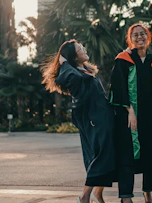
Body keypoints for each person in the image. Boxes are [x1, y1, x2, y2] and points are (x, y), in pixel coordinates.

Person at [42, 40, 115, 203]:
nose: (84, 49)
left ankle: (97, 193)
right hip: (93, 120)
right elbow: (69, 76)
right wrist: (65, 63)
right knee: (101, 154)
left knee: (105, 154)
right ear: (73, 57)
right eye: (80, 49)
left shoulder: (85, 71)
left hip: (105, 117)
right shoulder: (73, 75)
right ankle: (85, 196)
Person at [110, 22, 152, 203]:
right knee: (127, 155)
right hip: (129, 117)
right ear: (130, 39)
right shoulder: (123, 59)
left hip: (151, 117)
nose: (140, 37)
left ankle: (147, 192)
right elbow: (118, 87)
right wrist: (130, 110)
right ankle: (126, 197)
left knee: (150, 154)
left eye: (143, 34)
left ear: (148, 37)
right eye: (135, 35)